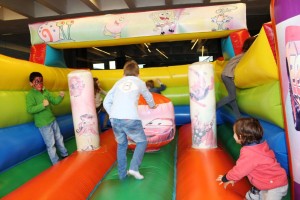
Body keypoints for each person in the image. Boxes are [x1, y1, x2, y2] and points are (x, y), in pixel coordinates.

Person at [103, 60, 158, 180]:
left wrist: (112, 114)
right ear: (138, 74)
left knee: (122, 145)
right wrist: (152, 105)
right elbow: (148, 96)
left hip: (115, 119)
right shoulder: (139, 82)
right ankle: (133, 168)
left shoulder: (118, 82)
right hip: (130, 118)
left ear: (124, 74)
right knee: (142, 142)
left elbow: (106, 101)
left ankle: (122, 175)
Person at [216, 117, 288, 200]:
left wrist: (226, 178)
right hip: (265, 182)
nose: (233, 135)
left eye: (234, 133)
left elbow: (240, 170)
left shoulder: (249, 153)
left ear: (241, 137)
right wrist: (234, 180)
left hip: (274, 186)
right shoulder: (259, 144)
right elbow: (249, 168)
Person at [26, 72, 68, 165]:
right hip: (43, 123)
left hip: (52, 119)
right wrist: (42, 105)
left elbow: (54, 101)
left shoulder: (45, 91)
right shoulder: (30, 95)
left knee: (59, 138)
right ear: (31, 84)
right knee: (51, 144)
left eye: (41, 81)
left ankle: (65, 155)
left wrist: (60, 97)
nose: (39, 84)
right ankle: (56, 162)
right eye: (36, 82)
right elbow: (30, 109)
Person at [216, 37, 256, 118]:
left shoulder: (241, 54)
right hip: (227, 75)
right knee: (232, 96)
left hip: (226, 75)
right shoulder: (245, 55)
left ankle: (238, 116)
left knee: (233, 99)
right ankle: (214, 107)